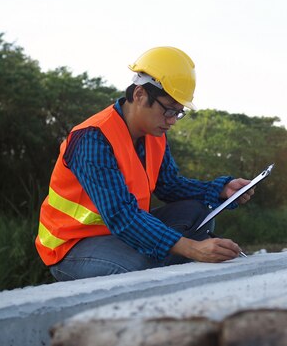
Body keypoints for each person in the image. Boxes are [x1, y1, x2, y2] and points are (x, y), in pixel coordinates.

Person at [35, 46, 254, 281]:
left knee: (197, 212)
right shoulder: (92, 138)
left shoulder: (154, 134)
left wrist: (220, 189)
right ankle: (168, 258)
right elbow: (121, 214)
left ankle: (167, 256)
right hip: (73, 245)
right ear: (139, 94)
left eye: (179, 113)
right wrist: (192, 248)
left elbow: (170, 186)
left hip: (119, 235)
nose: (172, 121)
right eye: (169, 110)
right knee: (141, 267)